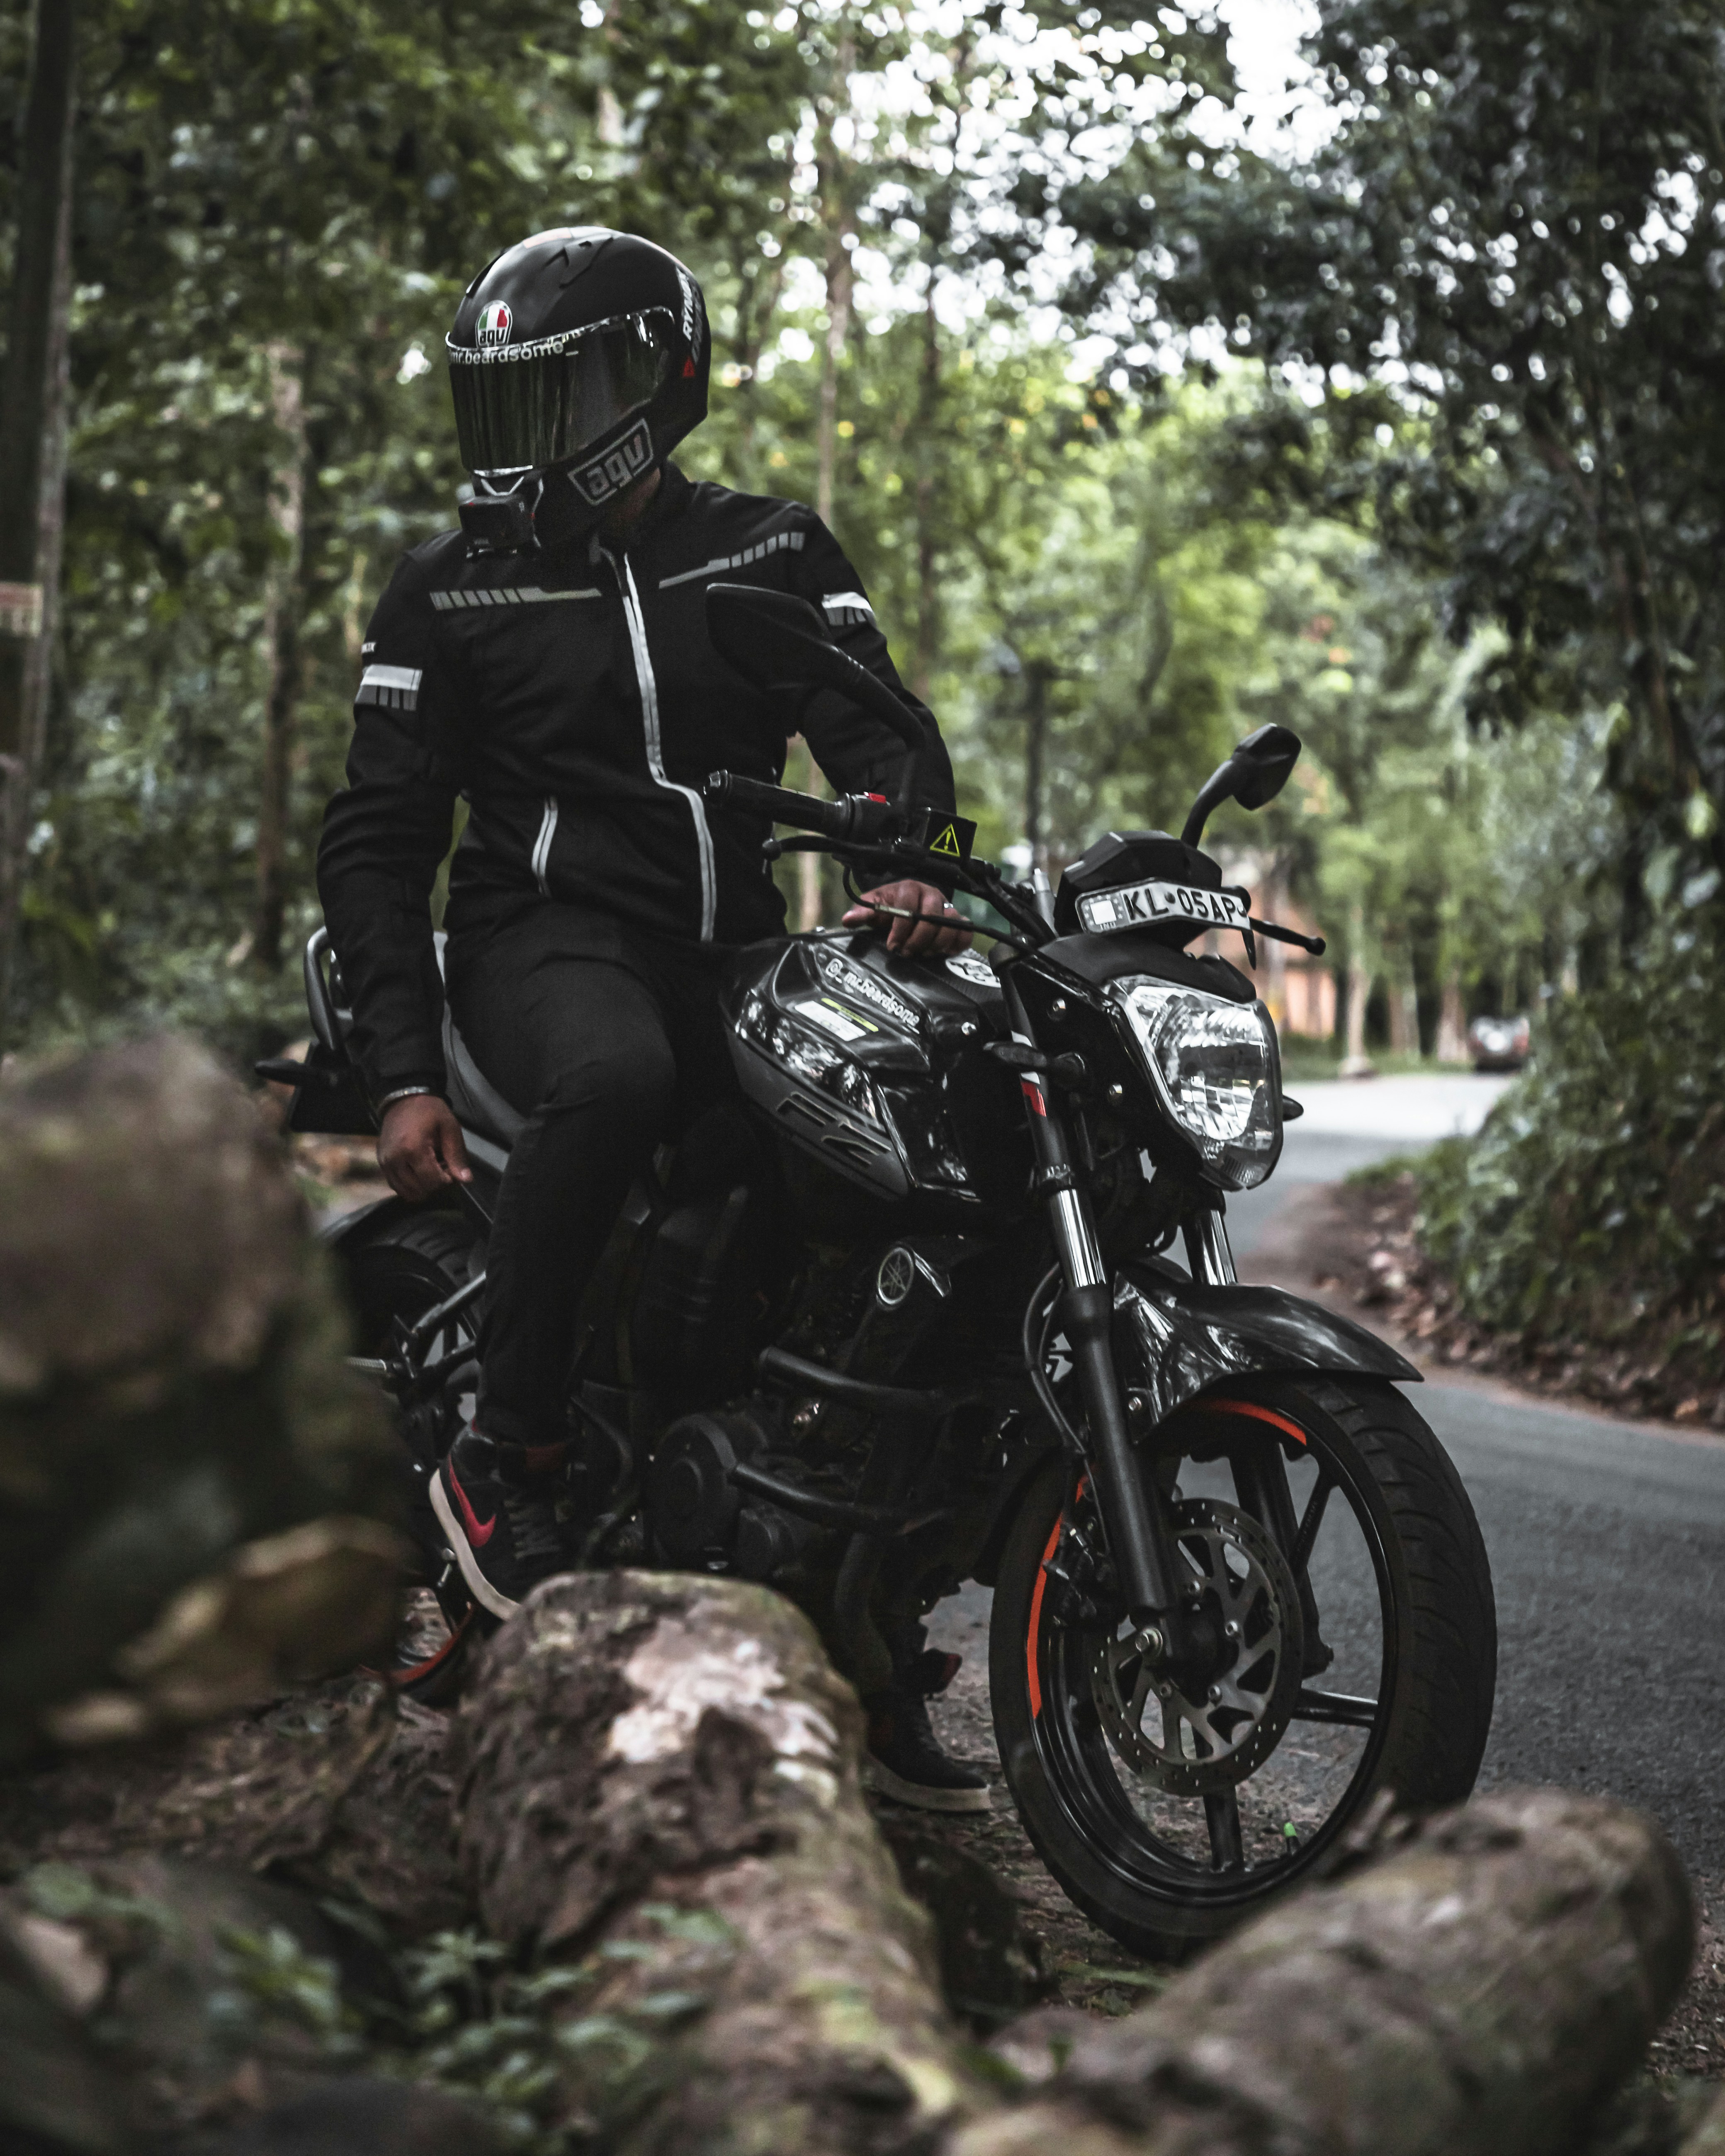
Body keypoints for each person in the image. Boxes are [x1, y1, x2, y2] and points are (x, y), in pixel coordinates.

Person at [316, 226, 980, 1804]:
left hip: (733, 944)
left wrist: (902, 842)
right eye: (502, 402)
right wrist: (399, 1070)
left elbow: (880, 737)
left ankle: (851, 1607)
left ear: (652, 380)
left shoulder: (772, 551)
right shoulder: (452, 584)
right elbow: (379, 839)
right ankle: (504, 1456)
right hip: (541, 944)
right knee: (614, 1079)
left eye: (555, 392)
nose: (524, 432)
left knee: (885, 1152)